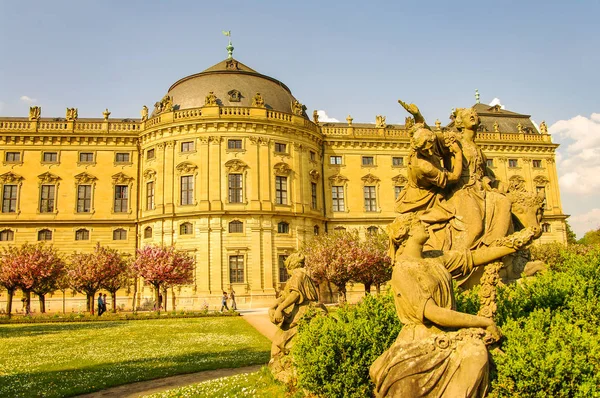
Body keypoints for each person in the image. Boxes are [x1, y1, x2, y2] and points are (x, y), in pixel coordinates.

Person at [372, 214, 533, 397]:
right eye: (418, 223)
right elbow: (433, 313)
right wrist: (481, 322)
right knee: (476, 352)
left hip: (448, 333)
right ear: (405, 233)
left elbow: (473, 257)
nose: (425, 225)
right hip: (421, 339)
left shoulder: (435, 258)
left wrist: (514, 243)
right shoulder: (403, 270)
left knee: (478, 352)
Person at [268, 252, 327, 383]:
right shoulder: (299, 275)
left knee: (282, 339)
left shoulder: (297, 274)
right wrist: (273, 306)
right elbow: (285, 295)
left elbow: (294, 295)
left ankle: (288, 368)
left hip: (306, 311)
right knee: (281, 339)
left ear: (290, 266)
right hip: (302, 310)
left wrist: (279, 308)